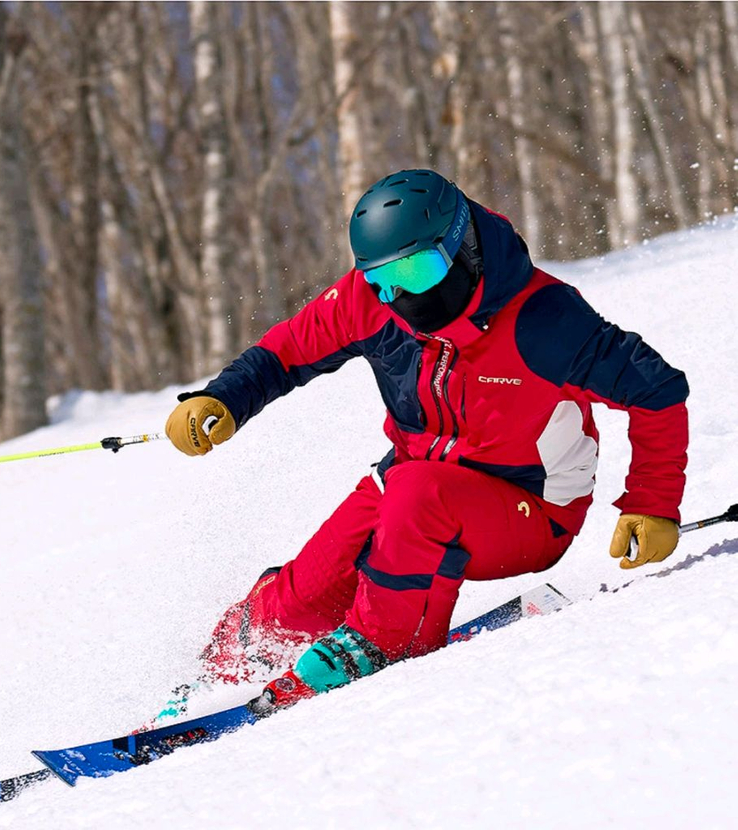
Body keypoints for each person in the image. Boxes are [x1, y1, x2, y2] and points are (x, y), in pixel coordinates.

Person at [165, 169, 689, 711]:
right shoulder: (370, 303)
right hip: (410, 484)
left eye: (417, 271)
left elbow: (657, 391)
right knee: (305, 592)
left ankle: (379, 646)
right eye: (382, 280)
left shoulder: (542, 319)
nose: (400, 296)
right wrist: (223, 399)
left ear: (462, 247)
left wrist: (653, 504)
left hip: (532, 508)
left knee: (419, 494)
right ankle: (221, 670)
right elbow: (286, 353)